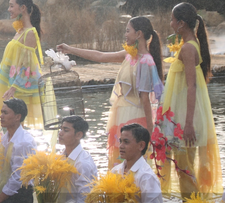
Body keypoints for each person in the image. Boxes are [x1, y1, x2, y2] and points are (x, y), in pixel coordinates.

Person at [57, 16, 164, 168]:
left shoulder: (145, 61)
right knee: (117, 164)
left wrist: (150, 130)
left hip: (135, 116)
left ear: (138, 34)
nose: (125, 35)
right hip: (121, 115)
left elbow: (145, 99)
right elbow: (100, 56)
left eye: (128, 31)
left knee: (130, 165)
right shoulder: (129, 55)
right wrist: (70, 49)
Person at [157, 2, 221, 198]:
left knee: (184, 170)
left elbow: (191, 86)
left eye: (172, 20)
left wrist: (188, 124)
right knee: (183, 169)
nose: (170, 23)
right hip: (183, 115)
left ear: (181, 23)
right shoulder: (190, 45)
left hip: (186, 118)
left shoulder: (188, 49)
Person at [19, 115, 99, 203]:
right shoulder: (61, 157)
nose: (60, 133)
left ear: (78, 135)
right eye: (61, 129)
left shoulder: (83, 163)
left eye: (66, 130)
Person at [0, 0, 44, 128]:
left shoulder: (30, 32)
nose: (9, 9)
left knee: (18, 123)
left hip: (21, 87)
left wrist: (14, 88)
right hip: (12, 83)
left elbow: (27, 65)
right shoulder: (20, 30)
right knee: (11, 123)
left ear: (22, 8)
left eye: (12, 6)